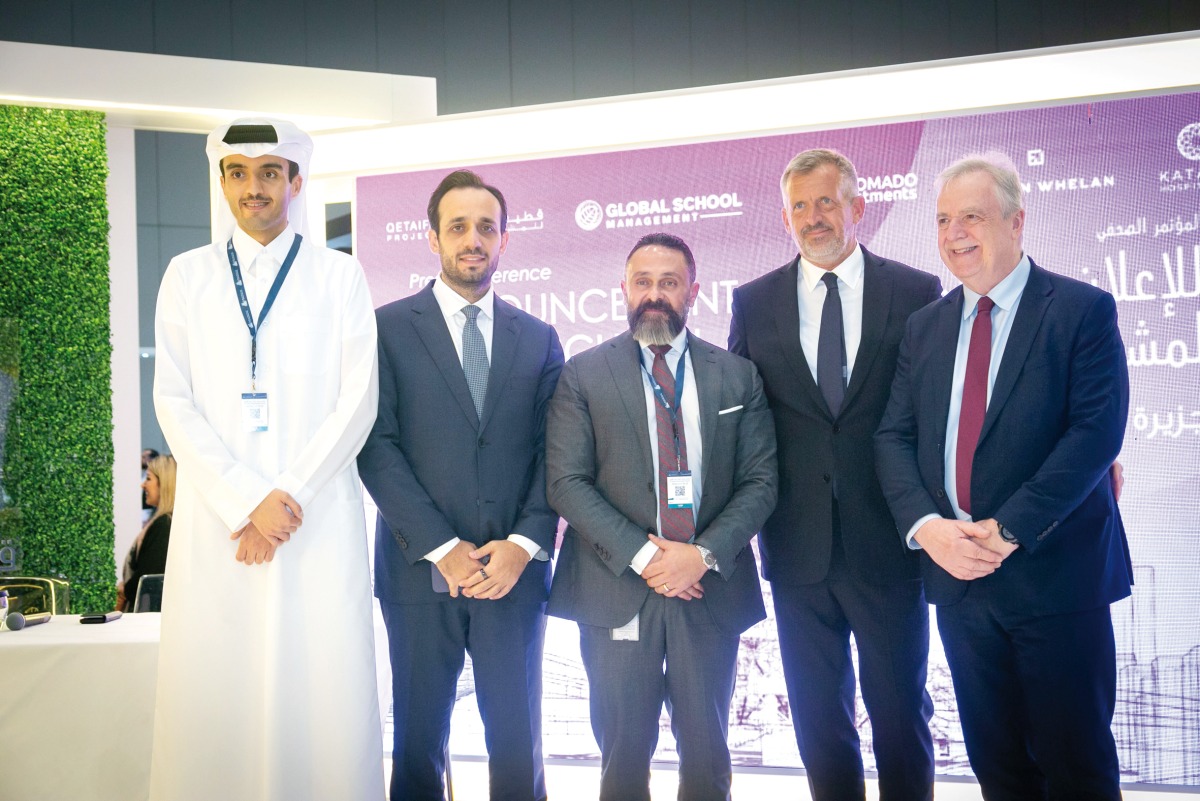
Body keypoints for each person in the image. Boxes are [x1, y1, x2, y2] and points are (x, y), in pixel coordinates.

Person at [875, 152, 1132, 800]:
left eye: (972, 216)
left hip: (1056, 581)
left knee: (1077, 769)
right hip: (961, 585)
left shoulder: (1082, 310)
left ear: (1018, 222)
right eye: (942, 219)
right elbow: (893, 436)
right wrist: (929, 529)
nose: (955, 233)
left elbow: (1095, 435)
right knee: (1000, 771)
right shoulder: (924, 327)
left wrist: (1008, 527)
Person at [151, 118, 383, 801]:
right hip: (219, 529)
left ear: (296, 181)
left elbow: (358, 399)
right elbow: (173, 398)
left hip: (313, 524)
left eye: (269, 172)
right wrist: (245, 499)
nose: (254, 187)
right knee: (217, 693)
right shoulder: (186, 276)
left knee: (323, 696)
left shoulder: (341, 276)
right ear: (222, 181)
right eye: (238, 171)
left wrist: (286, 496)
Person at [728, 148, 939, 800]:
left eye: (826, 202)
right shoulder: (754, 301)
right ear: (785, 215)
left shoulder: (916, 291)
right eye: (799, 206)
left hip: (889, 542)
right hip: (796, 548)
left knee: (901, 714)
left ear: (857, 206)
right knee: (819, 720)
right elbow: (737, 419)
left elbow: (940, 409)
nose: (813, 218)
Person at [546, 232, 777, 801]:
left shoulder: (737, 377)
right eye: (643, 282)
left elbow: (762, 482)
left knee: (707, 753)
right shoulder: (583, 375)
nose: (655, 295)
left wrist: (698, 556)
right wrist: (651, 557)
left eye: (669, 283)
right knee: (622, 755)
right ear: (623, 289)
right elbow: (566, 484)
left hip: (708, 588)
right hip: (616, 586)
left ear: (693, 291)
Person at [357, 169, 563, 801]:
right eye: (458, 227)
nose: (473, 239)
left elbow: (555, 456)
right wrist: (440, 546)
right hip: (420, 575)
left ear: (504, 241)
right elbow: (376, 445)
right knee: (419, 745)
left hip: (514, 576)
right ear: (432, 238)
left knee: (516, 745)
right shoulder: (385, 329)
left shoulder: (539, 337)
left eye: (486, 228)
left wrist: (522, 544)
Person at [119, 453, 176, 612]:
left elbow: (149, 577)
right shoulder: (167, 522)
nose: (143, 485)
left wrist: (125, 589)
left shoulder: (164, 524)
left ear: (164, 484)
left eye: (149, 479)